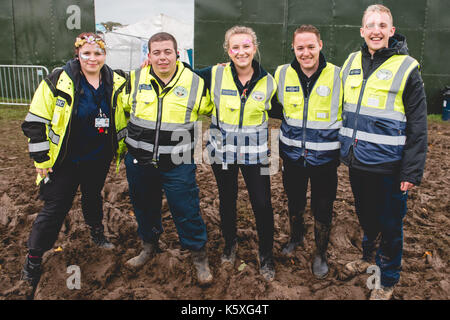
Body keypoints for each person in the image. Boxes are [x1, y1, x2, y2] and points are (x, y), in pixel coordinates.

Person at [20, 33, 129, 291]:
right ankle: (33, 259)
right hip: (64, 161)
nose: (93, 58)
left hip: (99, 157)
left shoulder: (117, 81)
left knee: (93, 197)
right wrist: (41, 158)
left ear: (105, 55)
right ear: (77, 54)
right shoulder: (58, 80)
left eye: (98, 53)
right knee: (55, 207)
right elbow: (34, 122)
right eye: (87, 53)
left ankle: (96, 233)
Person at [339, 4, 427, 300]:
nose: (376, 30)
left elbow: (418, 125)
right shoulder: (351, 61)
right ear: (362, 31)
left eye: (382, 25)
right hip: (358, 162)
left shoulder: (407, 68)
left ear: (391, 31)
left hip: (390, 166)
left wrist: (411, 171)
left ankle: (387, 280)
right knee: (367, 218)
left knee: (391, 226)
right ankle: (367, 259)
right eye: (370, 25)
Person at [122, 32, 213, 286]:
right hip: (139, 160)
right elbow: (122, 110)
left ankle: (199, 256)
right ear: (149, 56)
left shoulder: (196, 83)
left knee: (186, 209)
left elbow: (215, 109)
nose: (162, 57)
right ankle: (149, 246)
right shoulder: (134, 79)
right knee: (144, 207)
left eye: (167, 52)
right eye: (156, 53)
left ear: (177, 54)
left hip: (178, 162)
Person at [196, 26, 277, 281]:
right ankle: (230, 246)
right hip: (223, 152)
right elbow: (183, 75)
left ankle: (266, 256)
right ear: (227, 50)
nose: (241, 52)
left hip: (255, 155)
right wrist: (149, 64)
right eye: (235, 47)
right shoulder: (215, 74)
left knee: (262, 205)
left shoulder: (270, 81)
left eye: (246, 46)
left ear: (254, 47)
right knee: (227, 200)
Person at [271, 25, 342, 279]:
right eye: (300, 47)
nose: (305, 52)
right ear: (294, 48)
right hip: (292, 156)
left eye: (311, 46)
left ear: (320, 45)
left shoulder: (338, 75)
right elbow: (264, 97)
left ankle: (320, 253)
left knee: (323, 206)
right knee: (295, 201)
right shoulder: (281, 73)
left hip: (325, 158)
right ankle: (296, 238)